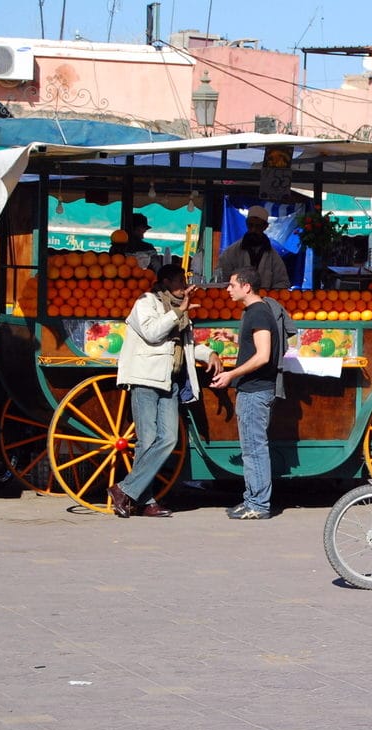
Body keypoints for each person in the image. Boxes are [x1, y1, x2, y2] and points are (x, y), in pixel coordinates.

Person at [107, 264, 223, 518]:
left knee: (169, 438)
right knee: (147, 441)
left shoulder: (180, 309)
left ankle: (125, 489)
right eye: (179, 281)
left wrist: (209, 353)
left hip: (170, 380)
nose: (184, 285)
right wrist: (178, 312)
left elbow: (187, 344)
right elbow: (151, 332)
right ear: (166, 282)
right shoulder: (147, 302)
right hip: (146, 377)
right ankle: (145, 500)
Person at [210, 266, 279, 520]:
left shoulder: (259, 312)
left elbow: (263, 355)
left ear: (246, 286)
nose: (228, 289)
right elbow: (255, 348)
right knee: (250, 447)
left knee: (254, 448)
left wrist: (231, 374)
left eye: (232, 285)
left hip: (255, 390)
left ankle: (259, 504)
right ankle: (252, 499)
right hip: (252, 389)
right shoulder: (255, 311)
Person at [217, 205, 291, 290]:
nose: (253, 230)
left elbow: (282, 283)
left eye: (258, 226)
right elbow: (221, 279)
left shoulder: (273, 257)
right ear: (246, 224)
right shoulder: (231, 253)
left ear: (265, 227)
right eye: (251, 225)